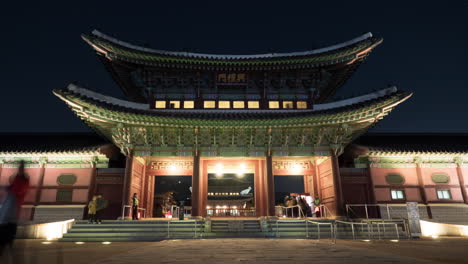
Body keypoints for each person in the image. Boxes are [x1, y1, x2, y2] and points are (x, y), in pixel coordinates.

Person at [0, 187, 18, 257]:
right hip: (8, 224)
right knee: (6, 246)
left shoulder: (10, 199)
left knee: (4, 245)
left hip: (6, 225)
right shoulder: (10, 199)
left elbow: (5, 212)